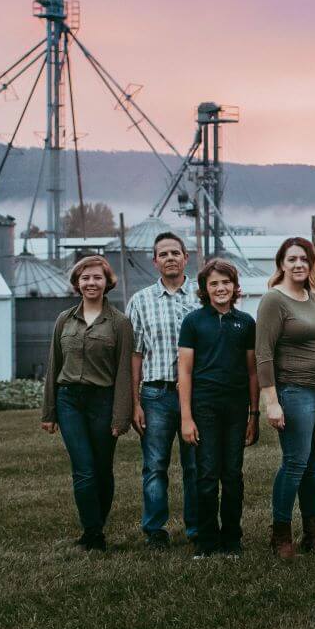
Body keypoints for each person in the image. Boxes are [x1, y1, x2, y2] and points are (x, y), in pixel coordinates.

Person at [39, 255, 135, 551]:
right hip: (70, 401)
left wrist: (121, 416)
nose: (90, 283)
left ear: (107, 283)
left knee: (102, 469)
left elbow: (123, 372)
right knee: (83, 468)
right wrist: (49, 411)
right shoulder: (64, 320)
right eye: (85, 278)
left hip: (103, 400)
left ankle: (97, 526)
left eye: (96, 277)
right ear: (77, 284)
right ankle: (92, 533)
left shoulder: (119, 323)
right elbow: (54, 365)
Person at [256, 236, 315, 559]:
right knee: (294, 463)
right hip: (293, 391)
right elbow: (264, 353)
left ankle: (312, 535)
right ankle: (281, 536)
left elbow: (314, 343)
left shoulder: (310, 295)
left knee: (312, 467)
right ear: (281, 264)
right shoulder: (274, 300)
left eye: (304, 258)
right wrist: (271, 401)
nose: (299, 264)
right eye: (293, 259)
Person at [177, 258, 259, 558]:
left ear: (235, 287)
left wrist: (254, 414)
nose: (220, 288)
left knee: (233, 474)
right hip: (204, 406)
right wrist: (186, 417)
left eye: (225, 282)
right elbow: (184, 372)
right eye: (214, 283)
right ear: (205, 289)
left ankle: (232, 538)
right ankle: (206, 539)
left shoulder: (246, 322)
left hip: (237, 408)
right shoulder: (193, 322)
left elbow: (253, 372)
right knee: (207, 474)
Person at [126, 231, 198, 548]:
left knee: (196, 465)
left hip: (195, 395)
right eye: (163, 254)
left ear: (186, 257)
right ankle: (155, 530)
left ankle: (197, 527)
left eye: (175, 253)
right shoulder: (140, 301)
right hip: (156, 394)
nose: (170, 258)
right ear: (155, 262)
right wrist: (135, 402)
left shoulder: (201, 296)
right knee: (155, 466)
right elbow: (135, 354)